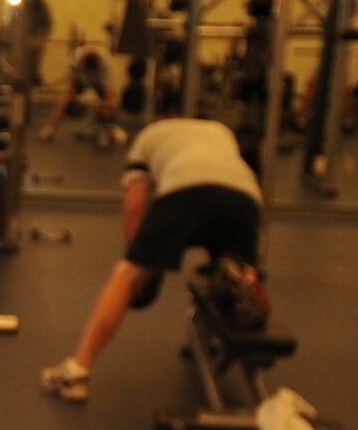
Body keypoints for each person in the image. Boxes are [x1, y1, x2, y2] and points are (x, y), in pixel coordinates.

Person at [40, 113, 264, 402]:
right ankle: (238, 299)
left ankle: (77, 369)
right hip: (245, 197)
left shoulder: (148, 136)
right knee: (240, 272)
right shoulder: (220, 129)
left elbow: (134, 208)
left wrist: (141, 268)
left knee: (126, 275)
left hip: (187, 190)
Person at [36, 43, 122, 145]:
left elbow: (109, 90)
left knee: (111, 101)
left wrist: (106, 105)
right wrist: (71, 100)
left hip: (99, 80)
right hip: (81, 79)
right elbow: (71, 87)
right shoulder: (76, 59)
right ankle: (50, 129)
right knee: (65, 99)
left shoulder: (106, 61)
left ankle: (112, 129)